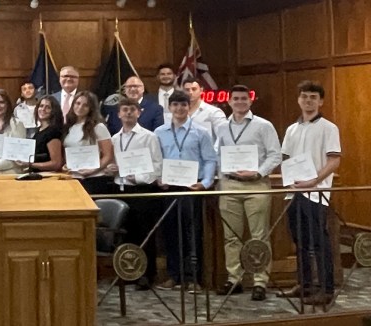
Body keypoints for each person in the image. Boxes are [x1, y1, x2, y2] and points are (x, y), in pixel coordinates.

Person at [214, 85, 281, 301]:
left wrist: (258, 172)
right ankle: (235, 279)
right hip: (229, 186)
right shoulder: (222, 127)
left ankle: (260, 281)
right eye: (236, 98)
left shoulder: (263, 126)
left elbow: (275, 155)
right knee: (231, 236)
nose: (240, 102)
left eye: (244, 98)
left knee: (259, 235)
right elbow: (217, 155)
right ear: (229, 102)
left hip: (256, 186)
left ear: (250, 101)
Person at [279, 80, 341, 306]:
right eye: (304, 96)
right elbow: (286, 159)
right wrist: (290, 182)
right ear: (298, 100)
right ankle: (304, 284)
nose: (308, 100)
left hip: (317, 193)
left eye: (313, 97)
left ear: (321, 101)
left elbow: (334, 160)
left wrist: (315, 180)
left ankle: (326, 288)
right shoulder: (291, 129)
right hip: (294, 193)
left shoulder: (328, 127)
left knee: (319, 241)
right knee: (300, 240)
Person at [153, 90, 218, 292]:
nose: (179, 109)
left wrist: (206, 182)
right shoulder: (159, 132)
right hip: (169, 186)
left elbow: (210, 160)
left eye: (183, 105)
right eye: (175, 105)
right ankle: (174, 275)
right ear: (169, 107)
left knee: (193, 232)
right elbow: (156, 159)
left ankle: (193, 278)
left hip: (193, 186)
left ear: (189, 107)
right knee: (171, 232)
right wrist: (158, 178)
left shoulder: (201, 132)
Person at [105, 98, 164, 290]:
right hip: (121, 189)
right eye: (124, 110)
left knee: (144, 233)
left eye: (132, 109)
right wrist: (111, 169)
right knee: (125, 234)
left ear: (139, 113)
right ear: (118, 114)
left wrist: (136, 177)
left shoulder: (149, 137)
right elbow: (110, 165)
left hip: (141, 189)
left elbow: (157, 166)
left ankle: (147, 275)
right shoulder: (114, 139)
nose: (128, 113)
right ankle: (127, 273)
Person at [63, 91, 115, 194]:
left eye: (85, 105)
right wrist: (66, 165)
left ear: (91, 108)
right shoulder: (70, 126)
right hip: (73, 177)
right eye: (77, 103)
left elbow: (108, 155)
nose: (80, 107)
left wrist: (93, 170)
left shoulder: (98, 127)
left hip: (94, 179)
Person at [30, 96, 65, 172]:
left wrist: (30, 164)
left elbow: (56, 163)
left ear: (54, 111)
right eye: (41, 106)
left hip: (48, 177)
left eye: (48, 107)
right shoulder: (38, 130)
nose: (43, 109)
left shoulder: (53, 132)